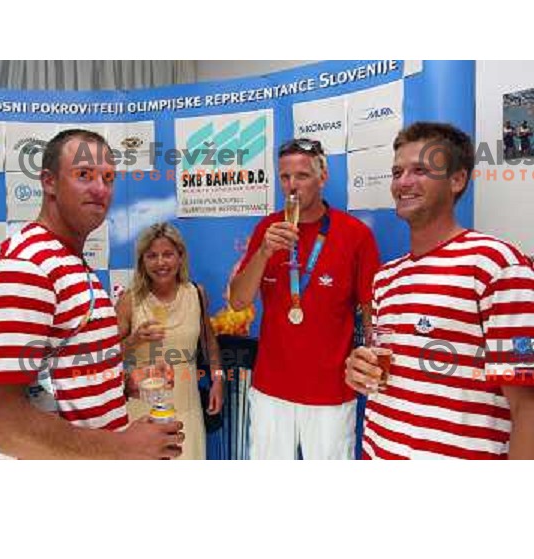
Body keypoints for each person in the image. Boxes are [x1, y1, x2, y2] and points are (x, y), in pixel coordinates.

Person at [0, 129, 184, 459]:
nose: (100, 189)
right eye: (84, 175)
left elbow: (53, 380)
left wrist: (122, 384)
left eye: (108, 178)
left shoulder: (71, 263)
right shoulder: (24, 265)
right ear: (49, 182)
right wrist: (122, 448)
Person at [345, 121, 534, 459]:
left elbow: (528, 407)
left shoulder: (497, 265)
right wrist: (360, 367)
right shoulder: (386, 277)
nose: (403, 182)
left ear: (457, 180)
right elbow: (389, 371)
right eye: (397, 171)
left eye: (419, 170)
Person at [229, 138, 380, 460]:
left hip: (331, 392)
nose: (292, 186)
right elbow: (239, 302)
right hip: (271, 390)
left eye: (302, 176)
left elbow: (371, 312)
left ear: (322, 177)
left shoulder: (355, 234)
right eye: (285, 177)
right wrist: (264, 252)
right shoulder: (268, 228)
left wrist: (373, 360)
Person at [115, 222, 223, 460]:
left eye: (168, 254)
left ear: (180, 257)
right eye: (152, 256)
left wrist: (217, 380)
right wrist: (133, 341)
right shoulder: (129, 300)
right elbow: (107, 356)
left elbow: (210, 344)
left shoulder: (196, 293)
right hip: (143, 415)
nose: (160, 263)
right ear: (142, 261)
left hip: (188, 410)